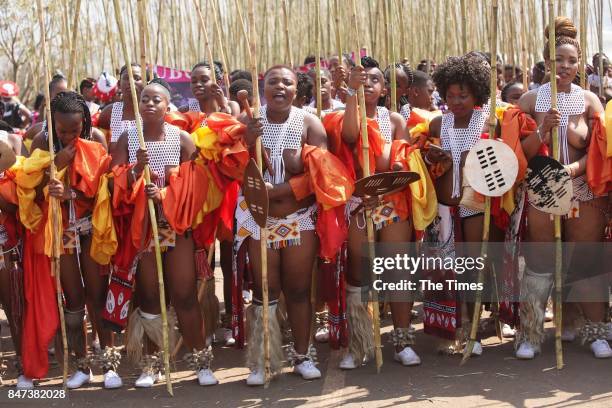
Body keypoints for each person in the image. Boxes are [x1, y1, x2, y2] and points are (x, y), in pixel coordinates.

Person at [111, 79, 219, 387]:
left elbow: (198, 184)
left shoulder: (181, 138)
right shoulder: (127, 139)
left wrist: (167, 192)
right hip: (142, 231)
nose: (149, 104)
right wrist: (133, 171)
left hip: (175, 229)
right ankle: (152, 364)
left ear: (167, 105)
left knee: (184, 295)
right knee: (149, 297)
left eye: (156, 99)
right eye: (144, 99)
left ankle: (201, 361)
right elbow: (111, 184)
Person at [515, 17, 611, 360]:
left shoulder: (590, 100)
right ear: (546, 62)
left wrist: (572, 169)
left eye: (572, 61)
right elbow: (516, 154)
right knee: (540, 262)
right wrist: (542, 132)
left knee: (585, 259)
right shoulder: (529, 101)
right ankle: (531, 333)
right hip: (542, 187)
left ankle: (596, 331)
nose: (566, 67)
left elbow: (599, 152)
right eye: (558, 61)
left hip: (583, 190)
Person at [328, 56, 432, 370]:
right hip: (360, 203)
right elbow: (348, 137)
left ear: (385, 89)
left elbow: (404, 161)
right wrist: (351, 93)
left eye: (375, 80)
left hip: (392, 201)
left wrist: (388, 182)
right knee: (359, 273)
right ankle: (359, 341)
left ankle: (402, 339)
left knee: (398, 270)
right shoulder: (345, 116)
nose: (369, 84)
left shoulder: (396, 120)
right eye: (364, 80)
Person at [237, 65, 327, 385]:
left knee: (299, 291)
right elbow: (233, 169)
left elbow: (323, 173)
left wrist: (283, 190)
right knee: (265, 292)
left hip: (298, 220)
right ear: (263, 88)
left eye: (286, 82)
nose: (279, 87)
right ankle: (263, 360)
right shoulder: (248, 120)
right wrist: (248, 141)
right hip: (260, 221)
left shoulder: (309, 122)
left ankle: (303, 355)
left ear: (295, 89)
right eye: (272, 81)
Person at [28, 91, 118, 389]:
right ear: (52, 124)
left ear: (85, 123)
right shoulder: (42, 143)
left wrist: (74, 193)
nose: (68, 135)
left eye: (74, 130)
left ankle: (109, 362)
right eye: (62, 130)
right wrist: (56, 163)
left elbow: (105, 190)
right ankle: (81, 365)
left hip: (92, 227)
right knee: (74, 300)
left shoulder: (97, 142)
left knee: (97, 293)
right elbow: (30, 185)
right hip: (61, 232)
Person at [426, 54, 505, 356]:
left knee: (474, 267)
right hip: (446, 205)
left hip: (476, 204)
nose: (456, 101)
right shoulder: (440, 121)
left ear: (477, 94)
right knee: (450, 270)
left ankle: (474, 329)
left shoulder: (487, 118)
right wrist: (434, 157)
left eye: (464, 95)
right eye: (450, 95)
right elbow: (429, 162)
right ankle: (457, 325)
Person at [0, 128, 26, 387]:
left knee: (14, 309)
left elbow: (15, 208)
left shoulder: (10, 176)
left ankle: (23, 365)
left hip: (6, 252)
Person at [98, 63, 144, 149]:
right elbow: (101, 149)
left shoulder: (152, 112)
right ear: (119, 84)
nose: (131, 82)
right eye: (127, 78)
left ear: (145, 83)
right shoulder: (108, 113)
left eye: (137, 78)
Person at [24, 75, 68, 143]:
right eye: (59, 95)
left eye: (67, 95)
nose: (63, 99)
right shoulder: (38, 130)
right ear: (48, 98)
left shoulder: (77, 126)